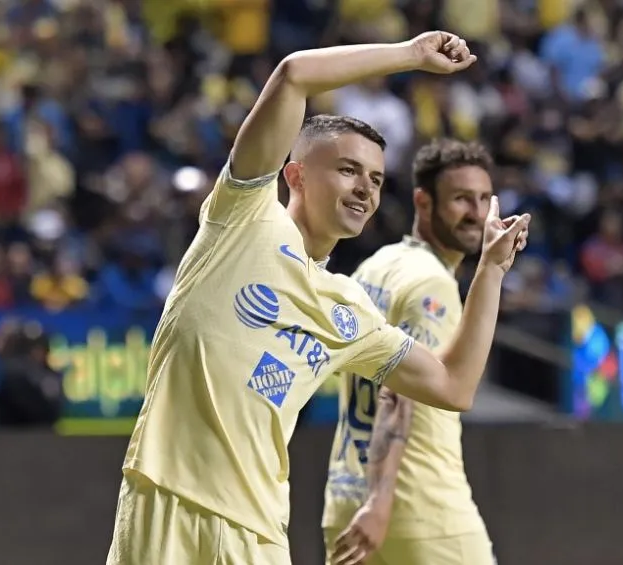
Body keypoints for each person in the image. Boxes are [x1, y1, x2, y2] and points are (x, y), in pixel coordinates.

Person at [106, 32, 531, 565]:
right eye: (348, 170)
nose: (366, 190)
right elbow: (293, 75)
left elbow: (453, 385)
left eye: (376, 179)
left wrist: (490, 271)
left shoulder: (347, 309)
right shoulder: (244, 219)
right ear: (296, 175)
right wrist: (409, 56)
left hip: (258, 533)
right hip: (167, 500)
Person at [323, 139, 498, 565]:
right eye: (461, 199)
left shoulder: (375, 266)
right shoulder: (431, 285)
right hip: (420, 510)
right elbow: (399, 395)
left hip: (346, 500)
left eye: (484, 199)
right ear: (423, 202)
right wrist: (380, 502)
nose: (476, 213)